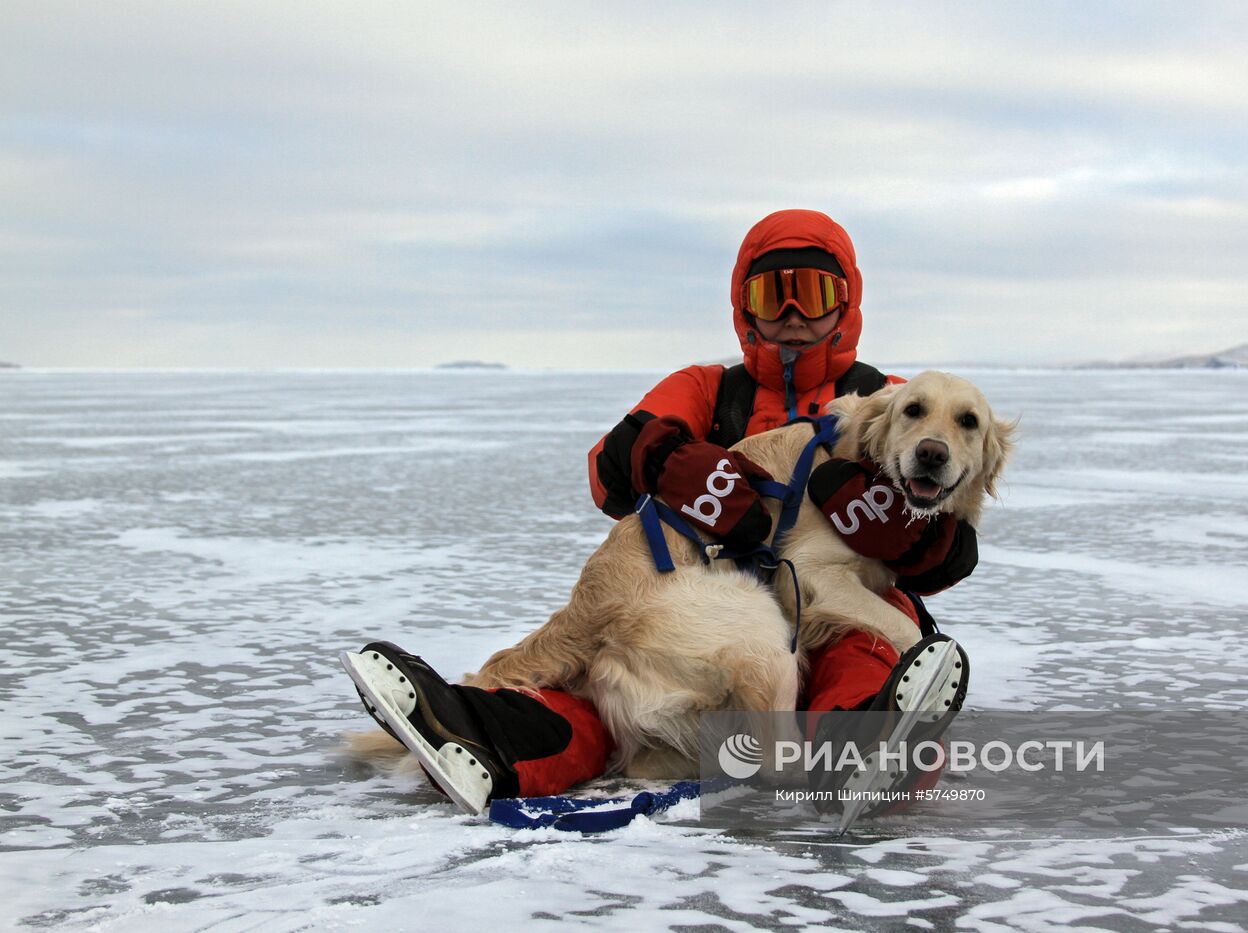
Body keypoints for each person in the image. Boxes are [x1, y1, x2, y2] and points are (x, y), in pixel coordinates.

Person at [344, 210, 977, 811]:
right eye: (769, 296)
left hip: (817, 614)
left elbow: (956, 511)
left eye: (810, 293)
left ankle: (862, 754)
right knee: (597, 702)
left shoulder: (890, 401)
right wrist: (669, 460)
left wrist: (926, 544)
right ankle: (480, 739)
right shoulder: (708, 387)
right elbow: (607, 468)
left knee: (867, 647)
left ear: (844, 304)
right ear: (743, 308)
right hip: (701, 600)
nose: (790, 315)